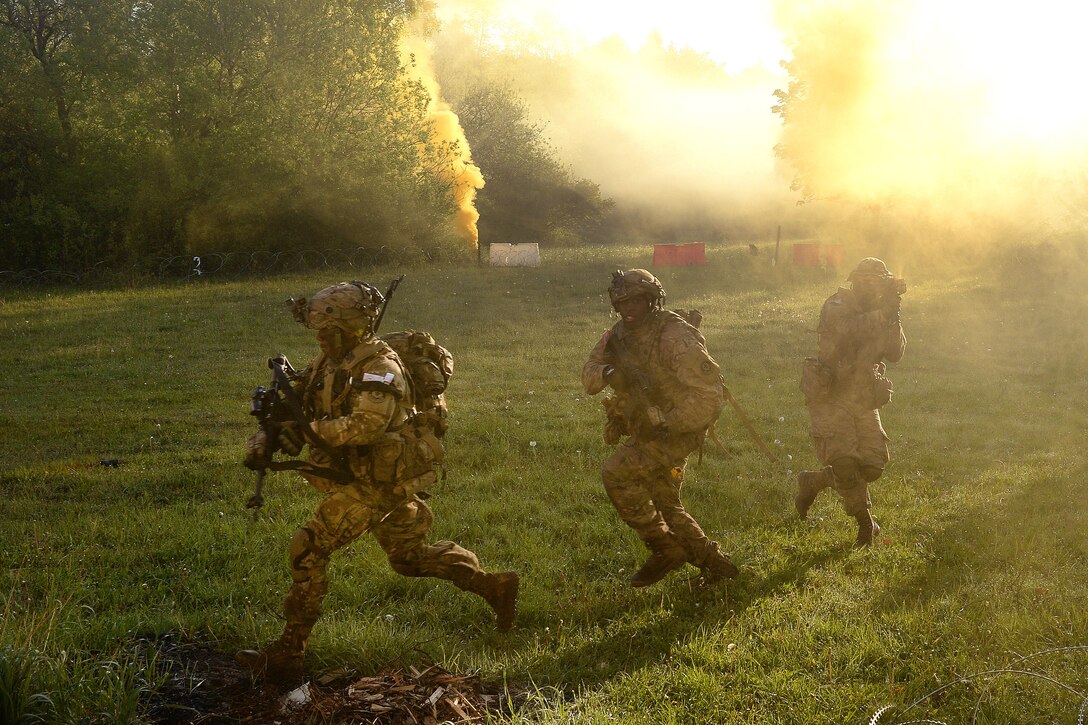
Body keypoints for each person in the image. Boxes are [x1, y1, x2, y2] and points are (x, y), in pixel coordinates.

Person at [236, 281, 518, 683]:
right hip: (364, 473)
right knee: (408, 558)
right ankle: (495, 586)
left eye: (326, 328)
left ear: (351, 326)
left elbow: (367, 425)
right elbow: (295, 403)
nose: (318, 336)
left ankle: (288, 655)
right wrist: (265, 436)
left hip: (380, 480)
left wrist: (306, 434)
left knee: (308, 549)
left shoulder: (379, 367)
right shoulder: (331, 360)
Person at [582, 269, 739, 588]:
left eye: (636, 301)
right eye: (621, 302)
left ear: (652, 300)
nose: (628, 309)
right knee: (665, 503)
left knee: (617, 474)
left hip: (678, 431)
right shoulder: (619, 335)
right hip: (647, 427)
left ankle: (665, 550)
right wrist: (611, 373)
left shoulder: (674, 336)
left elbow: (710, 396)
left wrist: (666, 423)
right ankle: (718, 567)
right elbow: (589, 374)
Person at [796, 257, 907, 546]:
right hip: (830, 392)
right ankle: (865, 524)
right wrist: (883, 314)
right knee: (844, 461)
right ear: (854, 281)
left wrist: (894, 316)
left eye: (877, 282)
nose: (870, 287)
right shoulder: (837, 303)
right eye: (865, 281)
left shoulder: (881, 311)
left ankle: (816, 481)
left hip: (862, 394)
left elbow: (895, 353)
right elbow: (848, 329)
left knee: (872, 467)